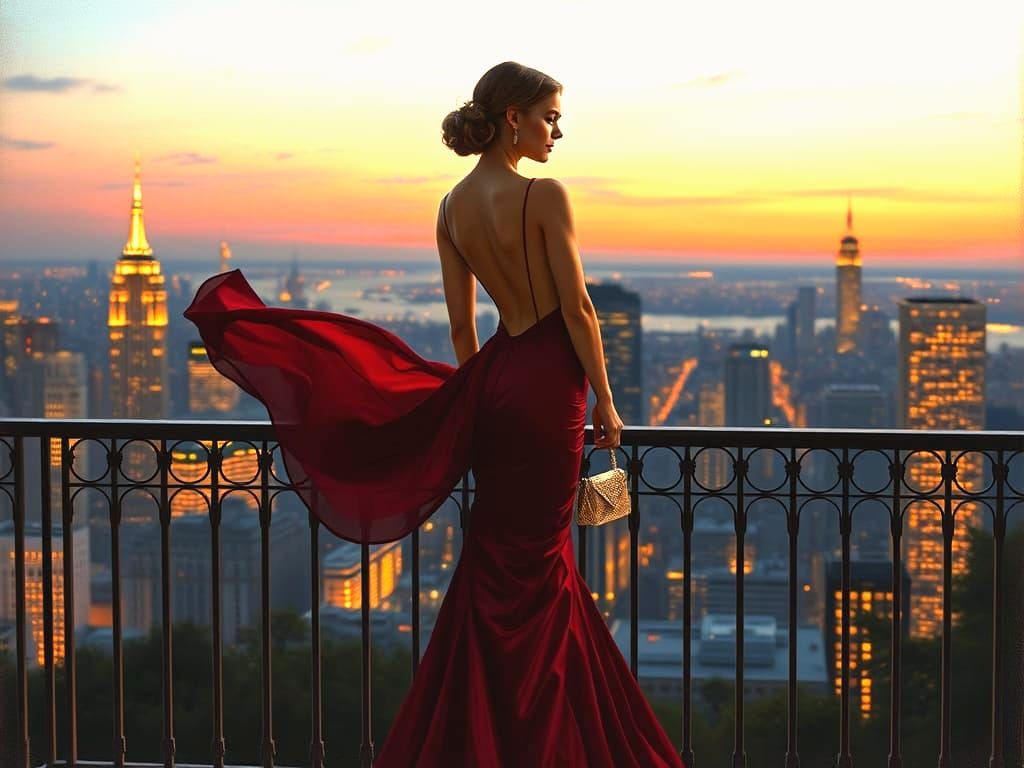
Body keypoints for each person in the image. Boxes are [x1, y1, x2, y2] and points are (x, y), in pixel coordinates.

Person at [184, 61, 684, 767]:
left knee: (500, 565)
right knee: (539, 571)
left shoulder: (451, 207)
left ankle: (483, 735)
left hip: (499, 384)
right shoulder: (544, 195)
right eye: (549, 116)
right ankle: (541, 739)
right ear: (512, 116)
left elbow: (460, 332)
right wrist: (606, 399)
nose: (557, 132)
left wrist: (481, 396)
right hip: (549, 391)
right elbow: (576, 309)